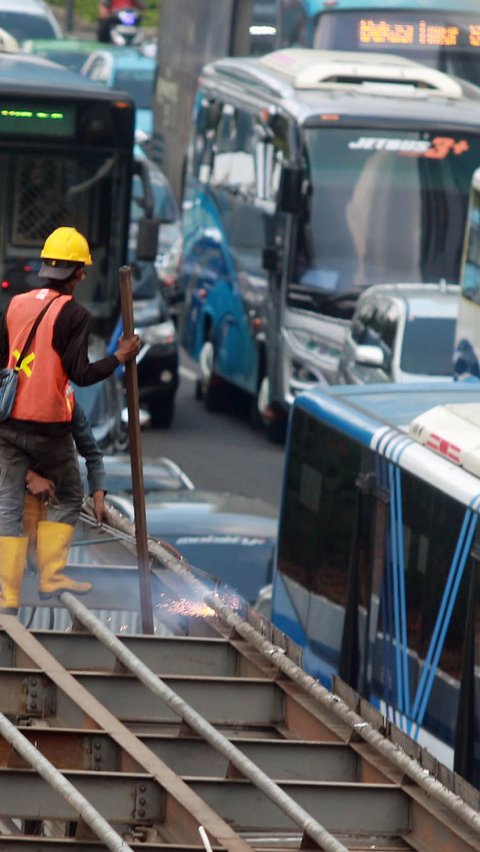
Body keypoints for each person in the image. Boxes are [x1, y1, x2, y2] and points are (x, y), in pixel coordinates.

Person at [0, 226, 140, 614]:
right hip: (47, 426)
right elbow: (81, 374)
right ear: (78, 273)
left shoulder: (15, 304)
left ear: (46, 267)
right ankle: (51, 574)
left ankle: (7, 594)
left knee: (7, 504)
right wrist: (120, 357)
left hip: (7, 421)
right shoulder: (75, 314)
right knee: (69, 495)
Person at [23, 393, 108, 572]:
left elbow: (92, 453)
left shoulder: (68, 405)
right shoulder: (12, 400)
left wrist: (99, 498)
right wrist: (30, 477)